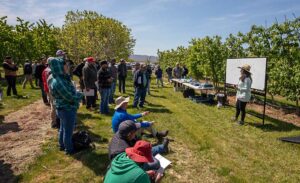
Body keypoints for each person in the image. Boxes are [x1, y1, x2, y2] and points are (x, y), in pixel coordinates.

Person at [49, 57, 83, 155]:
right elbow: (70, 97)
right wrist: (81, 94)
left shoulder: (61, 78)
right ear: (59, 66)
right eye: (65, 64)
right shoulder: (59, 81)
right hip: (67, 108)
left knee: (63, 128)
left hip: (63, 107)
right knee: (68, 131)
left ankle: (62, 145)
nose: (67, 66)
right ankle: (69, 150)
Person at [42, 57, 59, 128]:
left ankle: (56, 120)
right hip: (52, 90)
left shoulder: (44, 70)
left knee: (53, 104)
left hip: (47, 89)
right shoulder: (51, 71)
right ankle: (54, 122)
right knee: (54, 105)